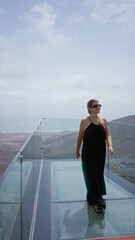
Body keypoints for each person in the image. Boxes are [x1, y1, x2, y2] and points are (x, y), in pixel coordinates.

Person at [76, 99, 113, 213]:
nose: (98, 107)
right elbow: (80, 136)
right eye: (95, 106)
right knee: (90, 175)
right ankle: (97, 202)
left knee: (98, 174)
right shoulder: (84, 121)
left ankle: (95, 196)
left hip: (100, 153)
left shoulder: (103, 121)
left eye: (99, 105)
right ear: (89, 108)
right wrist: (77, 150)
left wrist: (110, 146)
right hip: (88, 153)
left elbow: (108, 135)